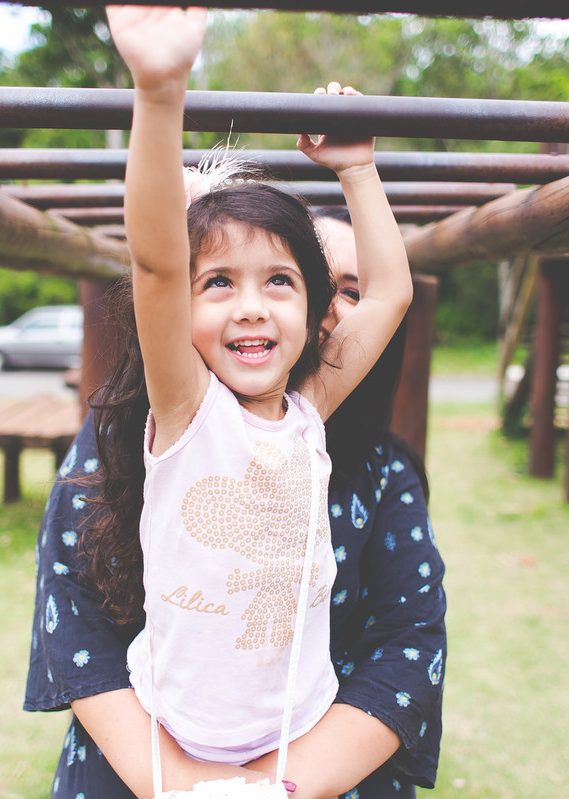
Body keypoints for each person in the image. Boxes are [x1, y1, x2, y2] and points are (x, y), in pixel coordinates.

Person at [93, 1, 412, 783]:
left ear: (310, 309)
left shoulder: (310, 411)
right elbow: (159, 263)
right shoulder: (187, 409)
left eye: (279, 281)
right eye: (220, 284)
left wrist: (358, 169)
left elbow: (389, 294)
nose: (250, 305)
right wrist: (161, 91)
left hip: (295, 727)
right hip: (177, 729)